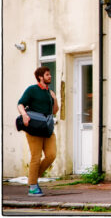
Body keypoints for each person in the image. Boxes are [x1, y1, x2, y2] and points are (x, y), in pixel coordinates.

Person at [17, 66, 59, 196]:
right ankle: (33, 186)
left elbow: (54, 111)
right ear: (40, 77)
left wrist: (55, 99)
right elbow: (20, 104)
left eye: (50, 74)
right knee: (36, 157)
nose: (50, 76)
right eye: (47, 74)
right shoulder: (32, 90)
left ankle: (32, 179)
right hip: (34, 128)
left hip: (47, 128)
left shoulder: (49, 92)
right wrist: (24, 115)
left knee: (51, 155)